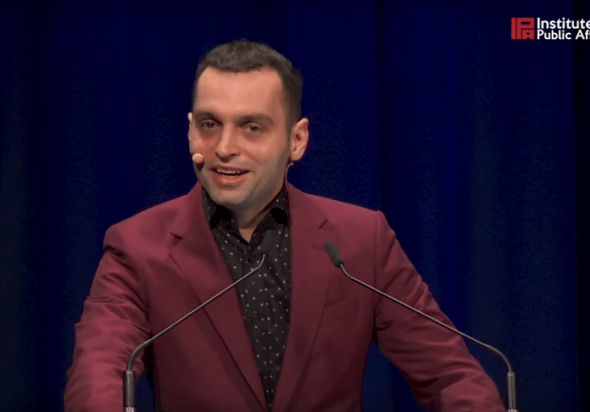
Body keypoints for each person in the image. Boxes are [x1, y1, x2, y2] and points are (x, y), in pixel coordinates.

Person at [65, 40, 504, 412]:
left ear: (297, 140)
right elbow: (99, 370)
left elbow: (450, 375)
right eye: (210, 124)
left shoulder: (360, 240)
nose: (224, 147)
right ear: (190, 131)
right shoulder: (137, 246)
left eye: (251, 127)